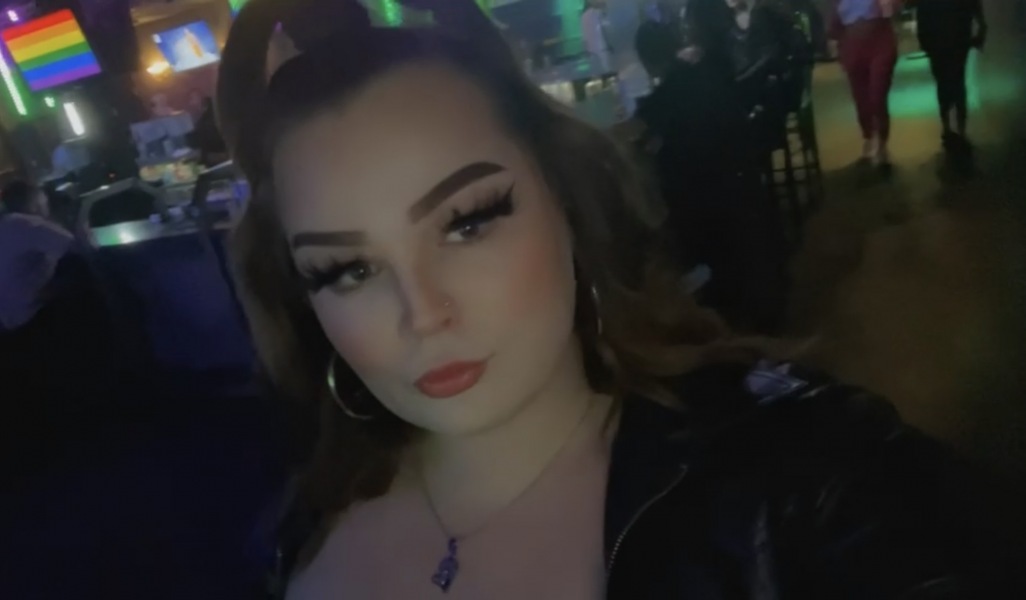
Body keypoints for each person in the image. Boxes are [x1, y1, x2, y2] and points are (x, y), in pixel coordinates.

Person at [218, 0, 1022, 597]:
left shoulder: (807, 486)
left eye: (468, 222)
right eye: (346, 270)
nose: (423, 312)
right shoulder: (298, 528)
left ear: (566, 199)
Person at [830, 0, 901, 166]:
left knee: (878, 93)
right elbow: (834, 22)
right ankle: (869, 136)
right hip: (852, 43)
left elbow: (895, 6)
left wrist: (890, 5)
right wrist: (835, 44)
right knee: (861, 98)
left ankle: (881, 140)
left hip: (880, 39)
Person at [0, 180, 74, 333]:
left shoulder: (7, 224)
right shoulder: (24, 223)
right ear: (35, 203)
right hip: (30, 316)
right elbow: (73, 245)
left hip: (9, 320)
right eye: (44, 200)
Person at [912, 0, 986, 150]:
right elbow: (975, 7)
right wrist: (980, 31)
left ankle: (947, 126)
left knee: (942, 82)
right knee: (958, 81)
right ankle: (960, 129)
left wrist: (923, 39)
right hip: (959, 34)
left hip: (936, 38)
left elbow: (922, 11)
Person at [581, 0, 615, 75]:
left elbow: (584, 36)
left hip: (590, 48)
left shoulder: (583, 16)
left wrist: (585, 49)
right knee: (606, 68)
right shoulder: (597, 13)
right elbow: (605, 28)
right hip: (601, 46)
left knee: (596, 70)